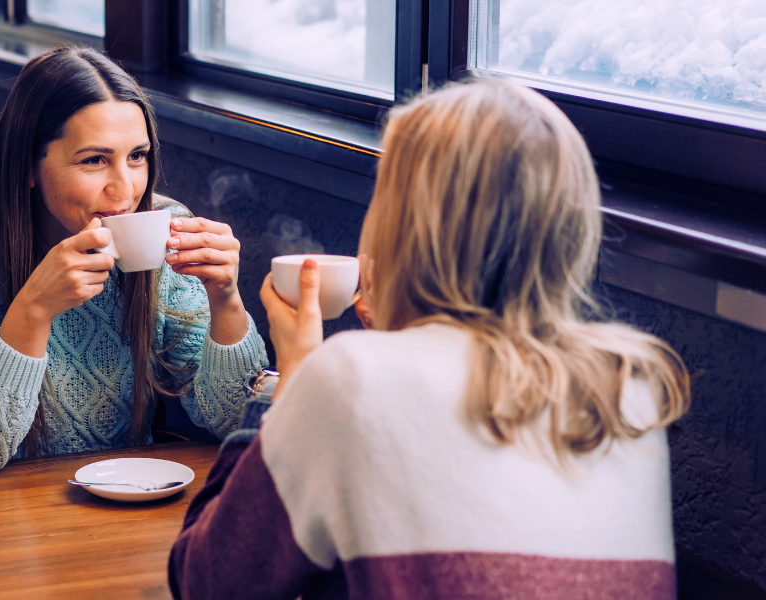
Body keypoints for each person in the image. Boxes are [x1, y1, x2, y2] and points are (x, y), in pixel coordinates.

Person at [169, 80, 691, 599]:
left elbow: (206, 581)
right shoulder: (630, 387)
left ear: (403, 226)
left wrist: (290, 384)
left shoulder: (349, 378)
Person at [0, 46, 268, 476]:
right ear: (28, 167)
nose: (126, 189)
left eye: (137, 156)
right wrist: (34, 309)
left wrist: (226, 298)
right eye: (95, 160)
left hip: (120, 501)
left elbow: (234, 422)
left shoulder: (167, 230)